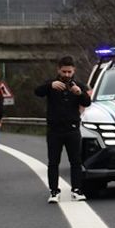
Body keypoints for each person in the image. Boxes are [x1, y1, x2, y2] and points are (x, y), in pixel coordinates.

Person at [34, 56, 92, 203]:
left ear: (74, 71)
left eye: (69, 72)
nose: (66, 75)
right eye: (64, 71)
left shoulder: (78, 86)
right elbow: (37, 92)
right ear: (58, 70)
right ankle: (54, 191)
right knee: (53, 162)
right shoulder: (51, 84)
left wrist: (79, 93)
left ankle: (76, 190)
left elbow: (87, 102)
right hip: (54, 130)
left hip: (72, 129)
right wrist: (50, 86)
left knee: (76, 161)